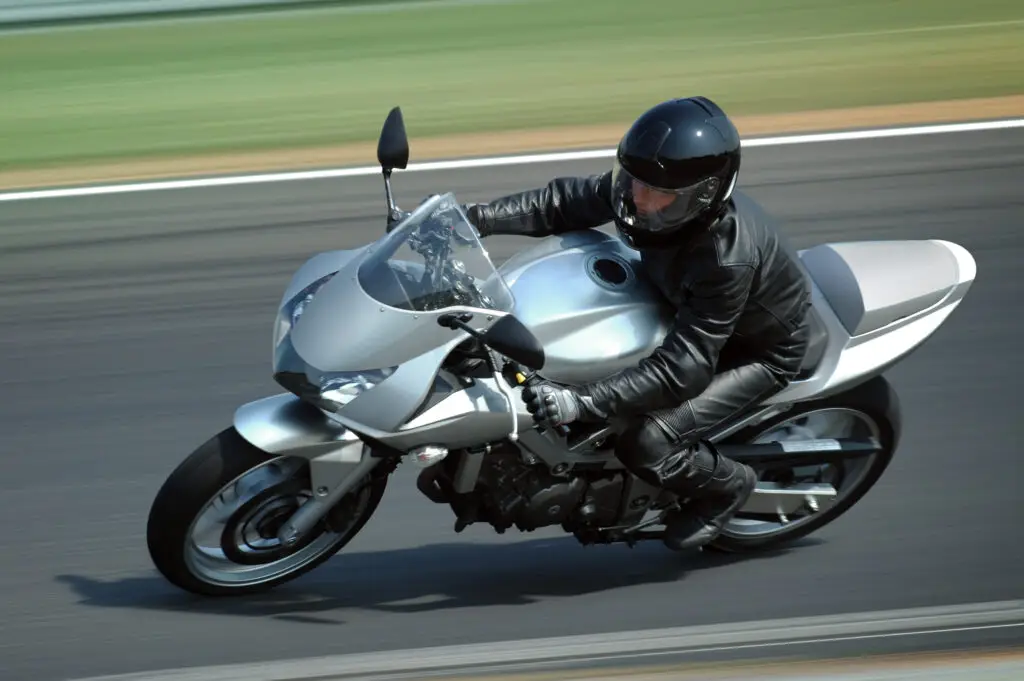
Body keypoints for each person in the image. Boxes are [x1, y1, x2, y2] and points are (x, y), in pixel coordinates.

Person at [462, 96, 813, 551]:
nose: (638, 200)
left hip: (756, 352)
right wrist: (476, 220)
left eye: (657, 193)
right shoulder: (647, 194)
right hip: (680, 307)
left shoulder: (725, 259)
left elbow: (685, 367)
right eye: (634, 182)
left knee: (647, 441)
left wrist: (580, 402)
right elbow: (563, 202)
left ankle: (728, 488)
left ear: (704, 195)